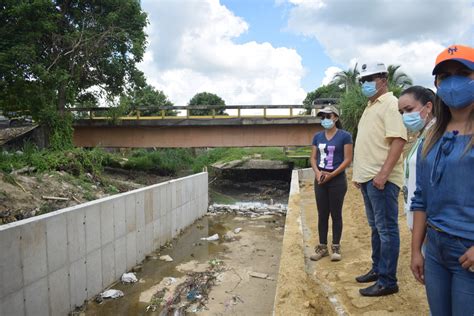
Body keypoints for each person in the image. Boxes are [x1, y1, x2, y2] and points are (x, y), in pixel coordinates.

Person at [410, 44, 474, 316]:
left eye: (463, 73)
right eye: (445, 77)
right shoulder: (432, 136)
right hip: (434, 247)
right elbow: (421, 196)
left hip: (467, 253)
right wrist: (416, 250)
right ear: (436, 84)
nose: (453, 82)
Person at [352, 62, 408, 296]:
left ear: (383, 80)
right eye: (362, 80)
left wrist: (383, 175)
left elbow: (398, 140)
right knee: (376, 228)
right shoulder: (370, 106)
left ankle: (388, 280)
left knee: (386, 229)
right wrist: (359, 175)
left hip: (381, 180)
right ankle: (378, 269)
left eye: (370, 79)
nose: (365, 84)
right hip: (368, 179)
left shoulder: (391, 104)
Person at [309, 105, 353, 261]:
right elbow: (313, 158)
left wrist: (332, 174)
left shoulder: (345, 136)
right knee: (322, 214)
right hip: (320, 179)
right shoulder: (317, 136)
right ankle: (322, 248)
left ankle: (335, 247)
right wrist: (318, 172)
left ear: (336, 117)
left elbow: (348, 159)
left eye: (328, 116)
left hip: (337, 180)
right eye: (322, 117)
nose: (325, 120)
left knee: (336, 214)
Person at [398, 86, 436, 230]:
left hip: (428, 221)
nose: (405, 116)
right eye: (401, 112)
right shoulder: (422, 135)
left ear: (428, 107)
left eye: (408, 110)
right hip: (416, 213)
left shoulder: (438, 137)